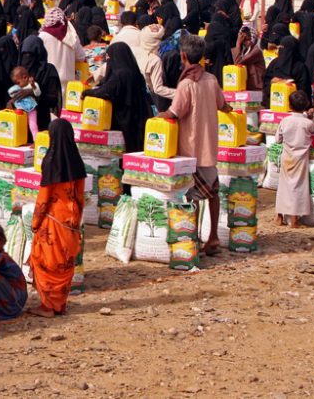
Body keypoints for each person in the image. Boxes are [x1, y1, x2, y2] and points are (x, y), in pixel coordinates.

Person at [158, 34, 230, 256]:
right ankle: (213, 237)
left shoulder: (186, 84)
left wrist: (159, 116)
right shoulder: (211, 79)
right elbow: (223, 105)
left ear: (183, 56)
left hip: (190, 147)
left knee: (193, 195)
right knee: (213, 193)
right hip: (210, 146)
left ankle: (195, 238)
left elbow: (175, 112)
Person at [28, 118, 85, 317]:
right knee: (65, 262)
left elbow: (44, 198)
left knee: (46, 261)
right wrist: (76, 220)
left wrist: (35, 222)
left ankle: (48, 306)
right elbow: (79, 197)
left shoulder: (51, 162)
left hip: (52, 220)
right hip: (71, 221)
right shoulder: (77, 162)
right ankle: (60, 304)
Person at [83, 43, 152, 153]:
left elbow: (106, 91)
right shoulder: (135, 73)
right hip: (138, 115)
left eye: (109, 57)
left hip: (124, 118)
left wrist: (87, 92)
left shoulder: (120, 74)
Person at [275, 90, 314, 228]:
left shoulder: (285, 121)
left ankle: (279, 217)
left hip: (287, 157)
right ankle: (294, 219)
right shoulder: (307, 123)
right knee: (298, 187)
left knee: (284, 186)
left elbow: (278, 139)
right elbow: (313, 131)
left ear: (289, 105)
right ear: (306, 105)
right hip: (301, 159)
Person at [38, 8, 86, 99]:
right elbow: (81, 56)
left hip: (49, 80)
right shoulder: (71, 36)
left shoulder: (43, 36)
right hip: (68, 81)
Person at [19, 36, 61, 132]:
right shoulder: (19, 70)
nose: (26, 58)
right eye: (24, 54)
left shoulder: (49, 71)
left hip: (41, 123)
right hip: (20, 123)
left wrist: (34, 93)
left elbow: (53, 100)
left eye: (30, 55)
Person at [264, 36, 312, 107]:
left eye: (285, 49)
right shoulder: (274, 63)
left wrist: (287, 84)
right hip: (273, 106)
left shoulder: (300, 67)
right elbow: (265, 85)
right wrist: (272, 83)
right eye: (281, 48)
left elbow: (304, 91)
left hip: (294, 107)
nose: (283, 52)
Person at [7, 65, 42, 136]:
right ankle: (20, 139)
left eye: (18, 83)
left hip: (31, 110)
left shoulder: (32, 84)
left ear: (25, 78)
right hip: (21, 111)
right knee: (19, 125)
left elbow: (38, 93)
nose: (18, 85)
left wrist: (33, 86)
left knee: (33, 125)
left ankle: (36, 140)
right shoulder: (18, 88)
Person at [233, 25, 265, 91]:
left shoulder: (256, 51)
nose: (247, 42)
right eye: (244, 40)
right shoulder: (244, 50)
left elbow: (237, 63)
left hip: (256, 87)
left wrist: (238, 44)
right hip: (247, 86)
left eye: (249, 39)